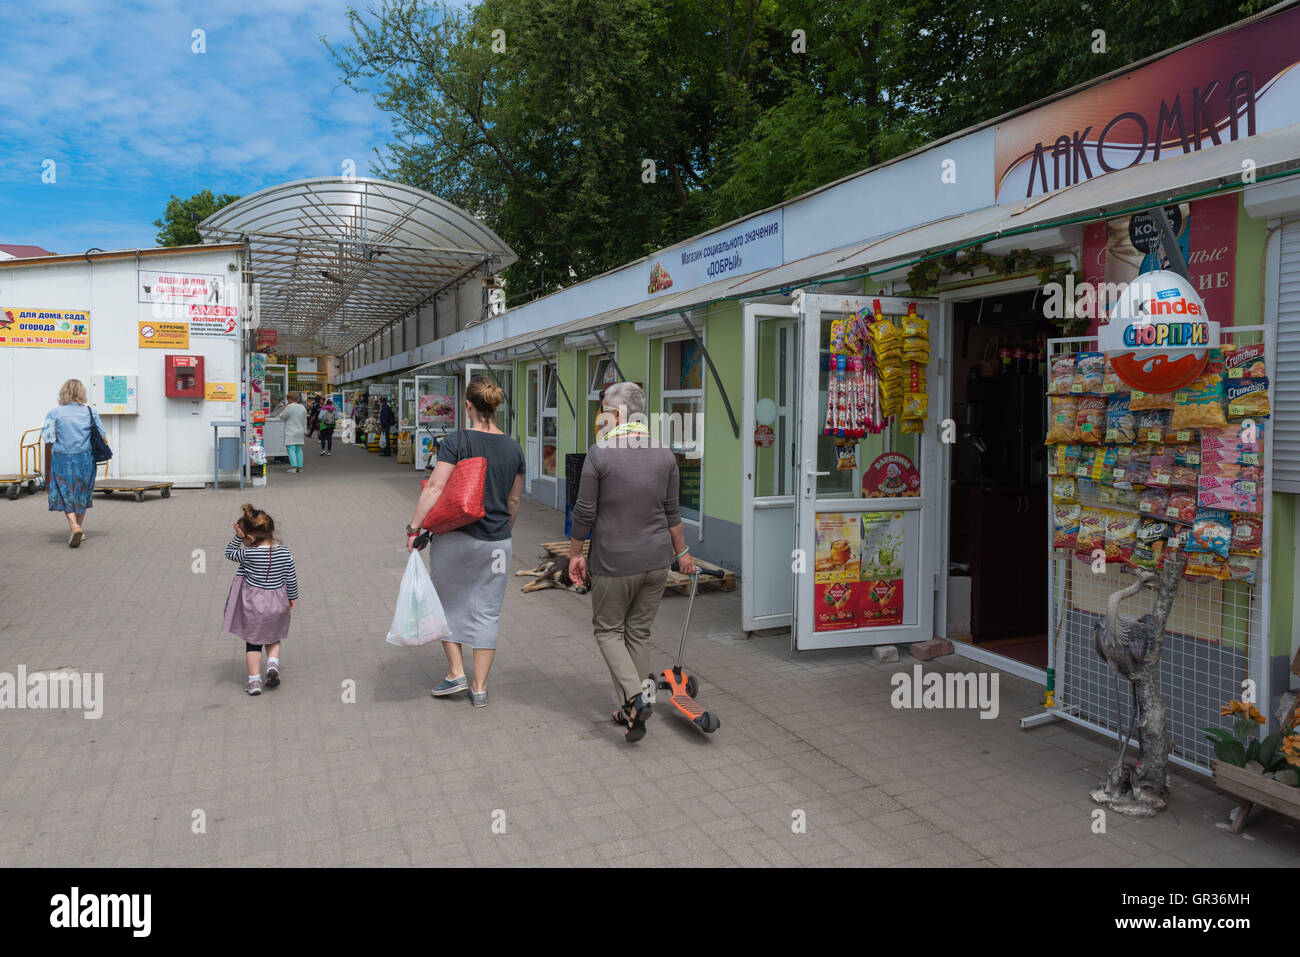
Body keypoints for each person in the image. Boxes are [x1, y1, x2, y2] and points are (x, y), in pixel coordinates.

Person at [568, 382, 695, 743]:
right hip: (656, 562)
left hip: (613, 562)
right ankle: (631, 711)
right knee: (639, 632)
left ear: (618, 412)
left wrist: (576, 553)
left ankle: (636, 699)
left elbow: (584, 511)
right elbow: (672, 511)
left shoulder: (600, 453)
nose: (601, 414)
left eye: (604, 407)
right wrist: (682, 552)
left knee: (608, 630)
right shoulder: (665, 454)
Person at [407, 376, 524, 708]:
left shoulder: (457, 440)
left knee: (447, 605)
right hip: (498, 544)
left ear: (468, 405)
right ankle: (480, 687)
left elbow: (434, 488)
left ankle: (456, 672)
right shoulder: (515, 447)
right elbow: (514, 503)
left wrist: (414, 527)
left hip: (455, 539)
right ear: (496, 406)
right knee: (488, 612)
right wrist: (503, 532)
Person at [224, 504, 298, 695]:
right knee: (274, 637)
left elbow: (229, 553)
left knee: (253, 643)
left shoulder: (248, 554)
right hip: (278, 602)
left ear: (249, 537)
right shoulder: (285, 552)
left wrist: (237, 538)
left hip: (255, 604)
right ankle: (272, 664)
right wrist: (292, 597)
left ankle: (254, 681)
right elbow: (291, 576)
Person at [41, 378, 103, 548]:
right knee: (82, 493)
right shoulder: (91, 412)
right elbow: (102, 434)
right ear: (82, 393)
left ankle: (74, 526)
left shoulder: (54, 413)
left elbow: (47, 438)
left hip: (62, 458)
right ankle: (78, 529)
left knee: (65, 492)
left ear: (63, 393)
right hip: (85, 459)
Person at [278, 392, 307, 472]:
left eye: (288, 399)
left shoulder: (289, 407)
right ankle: (300, 467)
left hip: (291, 431)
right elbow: (305, 420)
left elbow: (282, 417)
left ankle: (294, 467)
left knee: (291, 449)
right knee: (299, 449)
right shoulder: (302, 407)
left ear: (290, 399)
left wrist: (284, 408)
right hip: (300, 431)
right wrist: (305, 430)